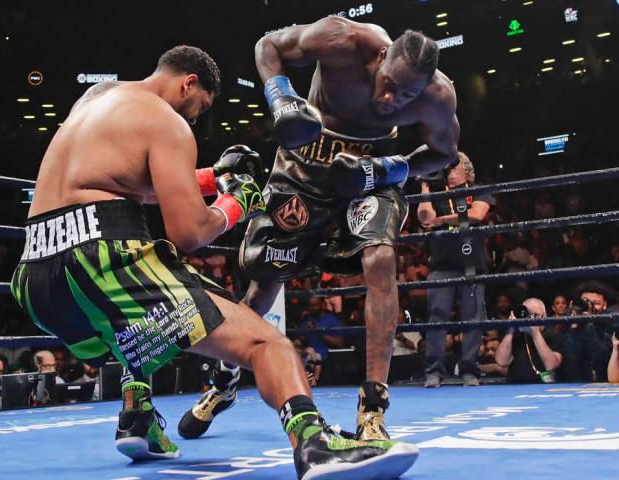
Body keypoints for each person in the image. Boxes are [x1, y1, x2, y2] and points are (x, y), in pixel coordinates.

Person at [9, 45, 418, 477]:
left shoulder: (97, 97)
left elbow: (135, 181)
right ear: (189, 82)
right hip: (101, 257)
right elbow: (188, 233)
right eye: (199, 107)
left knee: (137, 323)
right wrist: (236, 202)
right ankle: (315, 446)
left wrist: (214, 174)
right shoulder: (167, 122)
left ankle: (138, 416)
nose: (193, 120)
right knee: (268, 344)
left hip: (36, 273)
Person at [182, 15, 459, 444]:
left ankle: (373, 409)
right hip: (301, 172)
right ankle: (224, 380)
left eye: (405, 95)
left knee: (381, 258)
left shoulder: (437, 97)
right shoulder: (342, 39)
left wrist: (388, 167)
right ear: (382, 56)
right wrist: (282, 98)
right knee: (262, 288)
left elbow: (444, 154)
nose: (390, 98)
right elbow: (267, 45)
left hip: (368, 177)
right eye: (388, 83)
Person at [416, 152, 494, 387]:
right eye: (446, 169)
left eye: (453, 168)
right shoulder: (439, 194)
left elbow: (477, 214)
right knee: (437, 318)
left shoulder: (479, 190)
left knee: (473, 319)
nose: (448, 172)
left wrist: (442, 221)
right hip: (441, 265)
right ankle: (434, 371)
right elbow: (425, 217)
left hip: (472, 265)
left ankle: (469, 369)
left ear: (466, 170)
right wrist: (425, 185)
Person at [494, 299, 564, 384]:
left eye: (535, 315)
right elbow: (501, 362)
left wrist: (535, 334)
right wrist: (511, 328)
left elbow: (551, 365)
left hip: (544, 387)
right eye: (528, 314)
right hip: (515, 386)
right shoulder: (515, 332)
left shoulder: (553, 332)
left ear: (544, 316)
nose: (531, 319)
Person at [558, 281, 615, 382]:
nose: (590, 306)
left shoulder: (610, 325)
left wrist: (589, 324)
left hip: (603, 384)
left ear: (605, 305)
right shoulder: (565, 324)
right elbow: (568, 359)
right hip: (573, 384)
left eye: (596, 303)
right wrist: (573, 327)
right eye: (585, 301)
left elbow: (600, 357)